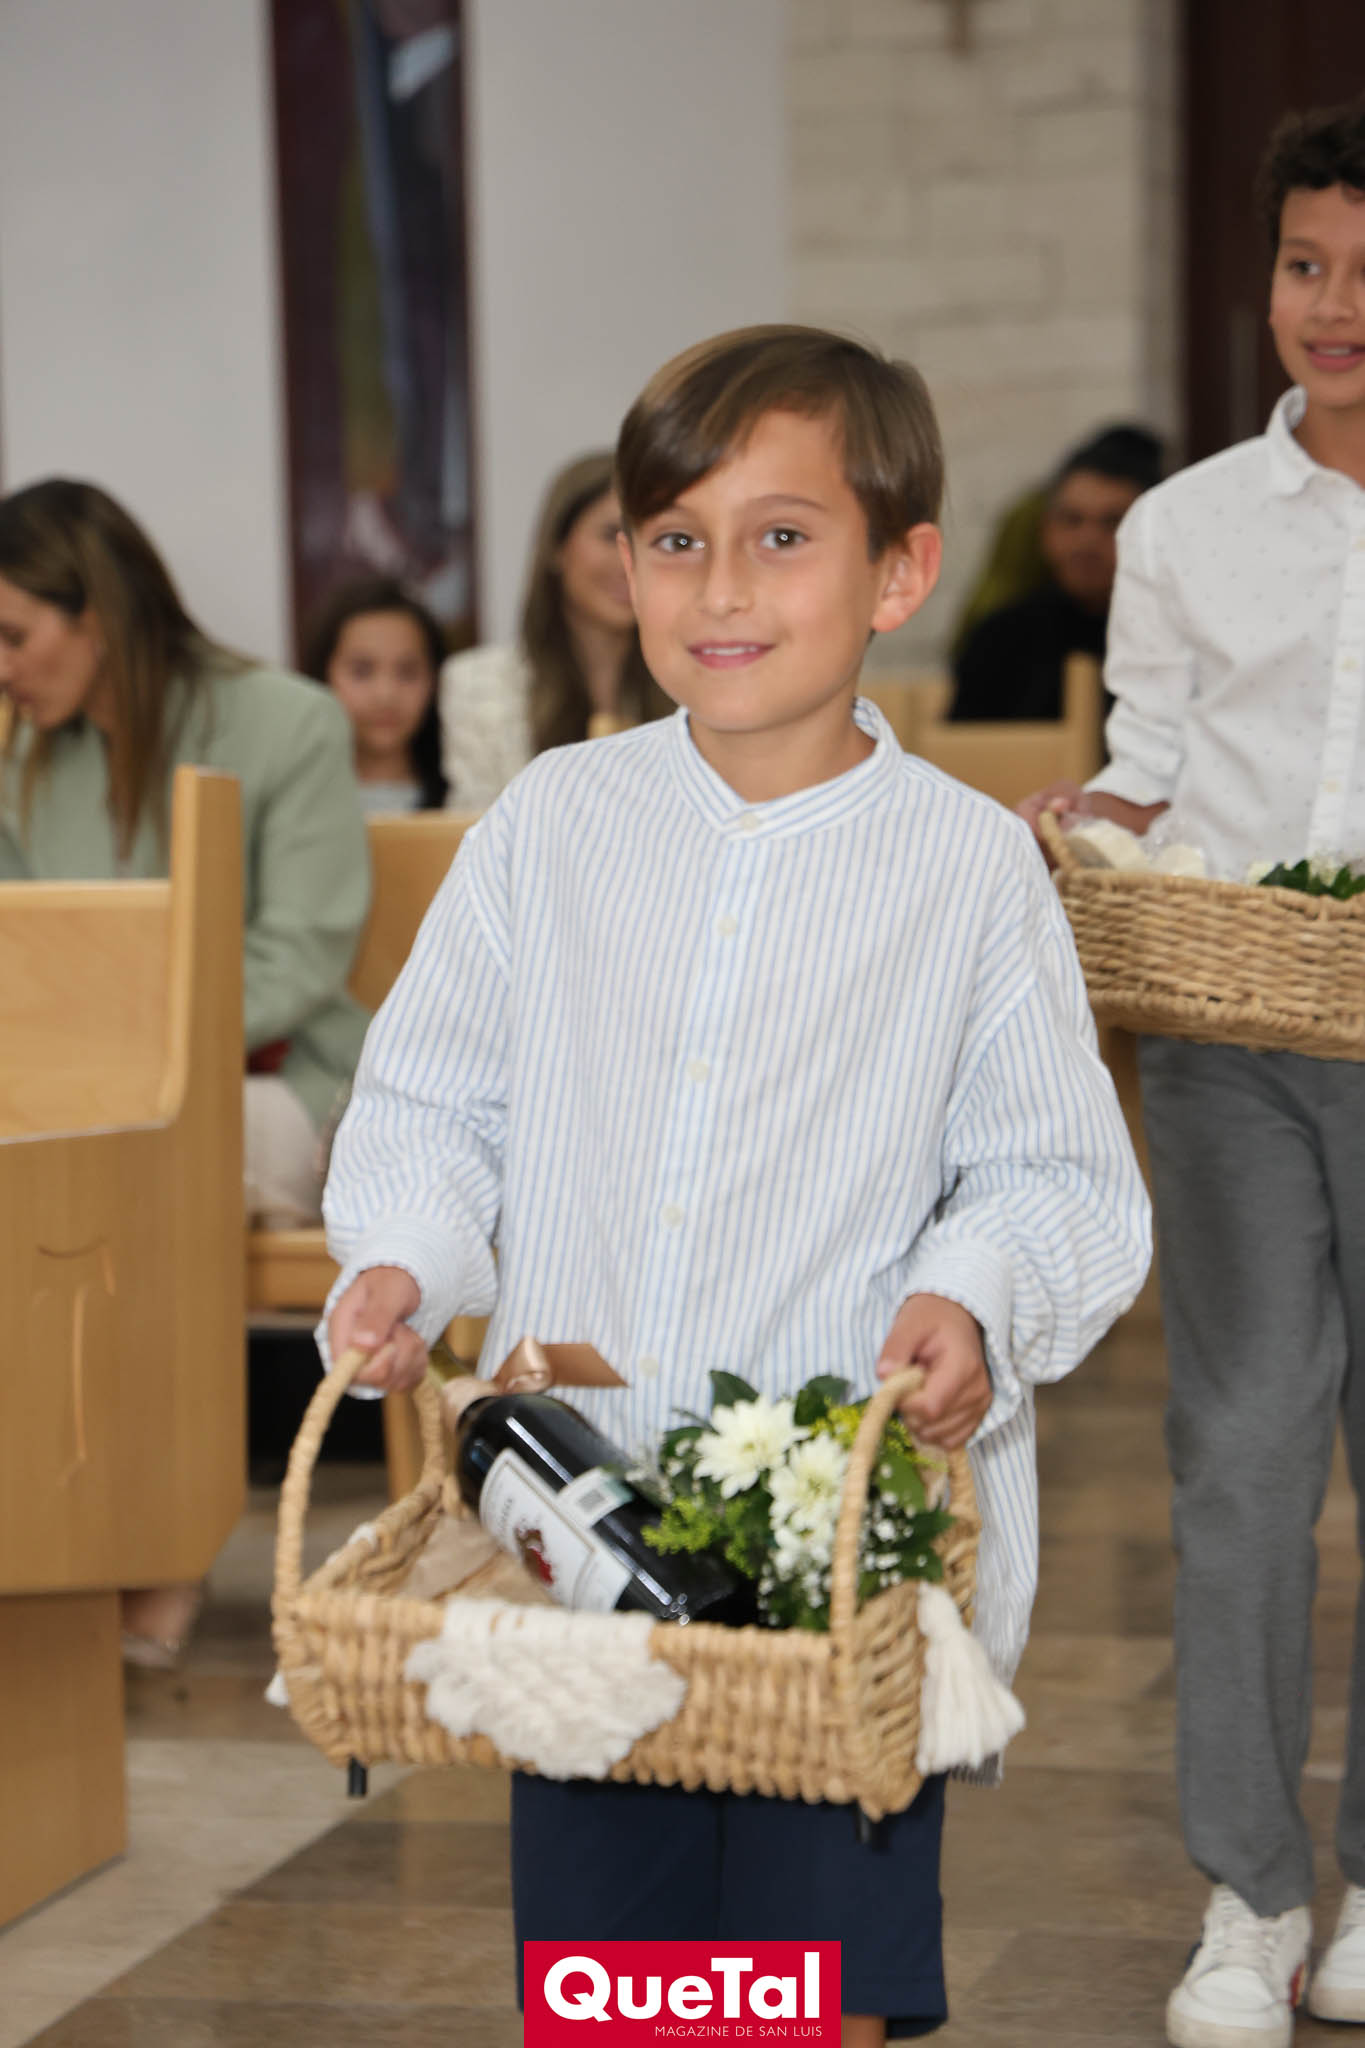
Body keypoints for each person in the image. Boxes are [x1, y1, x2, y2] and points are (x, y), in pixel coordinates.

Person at [321, 324, 1150, 2042]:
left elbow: (1051, 1172)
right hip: (584, 1536)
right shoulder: (552, 824)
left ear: (899, 569)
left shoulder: (967, 869)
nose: (721, 585)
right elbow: (438, 1098)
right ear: (624, 565)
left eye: (782, 535)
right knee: (624, 1999)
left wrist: (974, 1292)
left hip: (835, 1553)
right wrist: (403, 1253)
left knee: (801, 1997)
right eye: (675, 537)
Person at [1019, 98, 1365, 2048]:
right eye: (1305, 263)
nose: (1332, 303)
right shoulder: (1180, 528)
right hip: (1233, 1035)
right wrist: (1089, 821)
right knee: (1239, 1456)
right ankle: (1250, 1893)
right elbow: (1148, 763)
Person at [0, 477, 371, 1658]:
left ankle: (158, 1539)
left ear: (97, 615)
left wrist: (139, 1060)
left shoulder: (289, 721)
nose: (2, 668)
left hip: (280, 1087)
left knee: (146, 1176)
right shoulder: (21, 753)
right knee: (65, 1173)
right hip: (86, 1099)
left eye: (13, 634)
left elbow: (303, 951)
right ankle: (49, 1529)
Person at [438, 449, 670, 808]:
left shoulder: (694, 686)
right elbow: (475, 828)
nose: (632, 562)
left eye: (655, 540)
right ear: (557, 547)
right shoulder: (479, 684)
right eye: (611, 535)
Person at [948, 426, 1164, 723]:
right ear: (1046, 530)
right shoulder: (1001, 639)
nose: (1087, 541)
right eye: (1072, 520)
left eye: (1112, 522)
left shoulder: (1174, 638)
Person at [304, 576, 449, 811]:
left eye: (408, 672)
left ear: (435, 680)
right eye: (362, 671)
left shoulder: (471, 795)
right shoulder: (292, 798)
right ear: (323, 675)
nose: (385, 695)